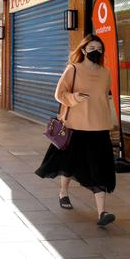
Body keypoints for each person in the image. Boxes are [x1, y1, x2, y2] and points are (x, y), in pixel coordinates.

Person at [35, 34, 117, 227]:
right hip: (76, 127)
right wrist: (73, 98)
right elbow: (59, 94)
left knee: (99, 170)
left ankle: (102, 212)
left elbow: (104, 99)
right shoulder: (73, 69)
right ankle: (63, 192)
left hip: (99, 128)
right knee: (69, 165)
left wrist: (111, 123)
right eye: (91, 48)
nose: (96, 51)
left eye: (99, 48)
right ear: (83, 50)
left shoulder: (106, 73)